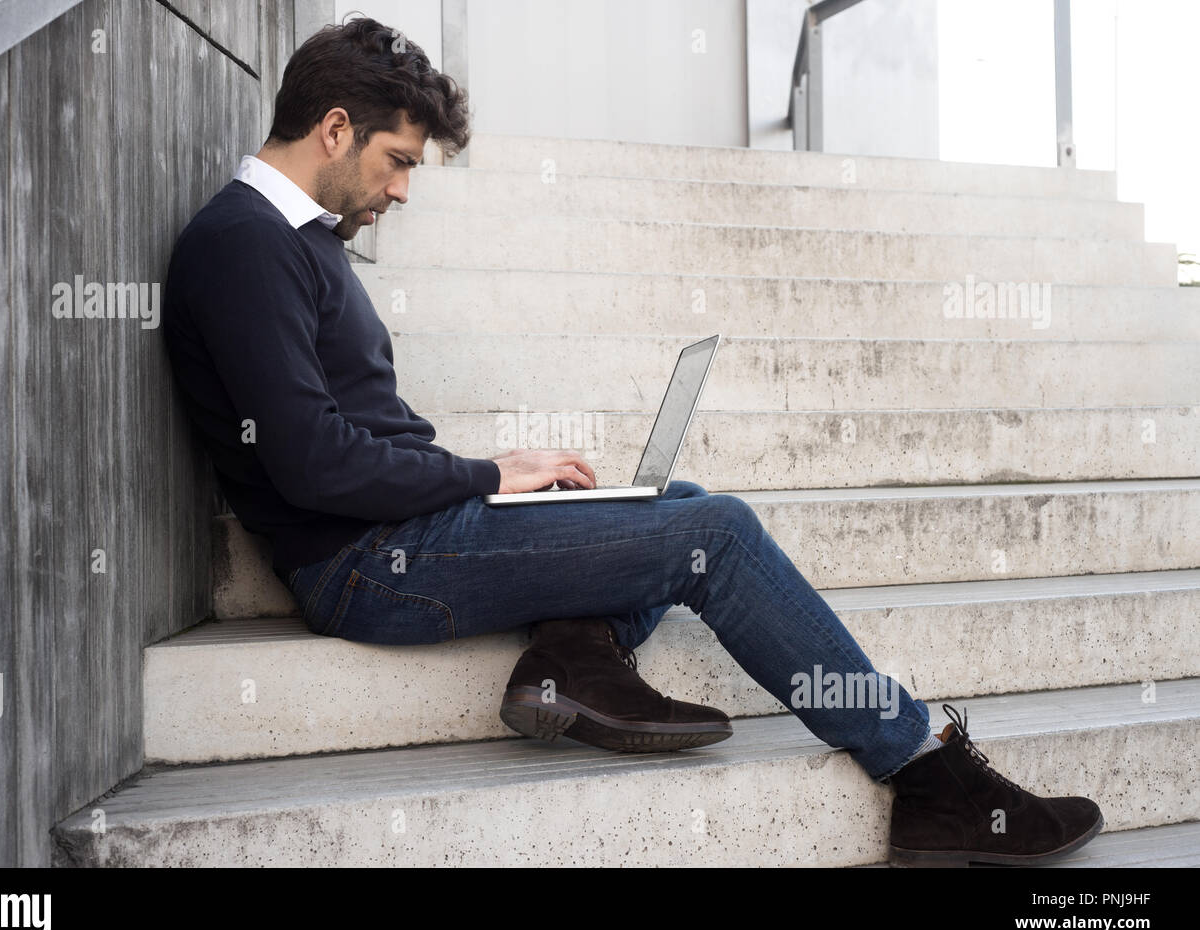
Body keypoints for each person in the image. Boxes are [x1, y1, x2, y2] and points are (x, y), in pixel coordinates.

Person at [161, 15, 1104, 866]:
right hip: (365, 565)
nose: (403, 189)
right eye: (397, 160)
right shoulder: (245, 243)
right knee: (718, 532)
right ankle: (925, 774)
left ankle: (572, 655)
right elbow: (311, 460)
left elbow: (352, 434)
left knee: (676, 503)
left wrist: (493, 485)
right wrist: (491, 471)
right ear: (334, 129)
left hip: (408, 528)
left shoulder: (303, 237)